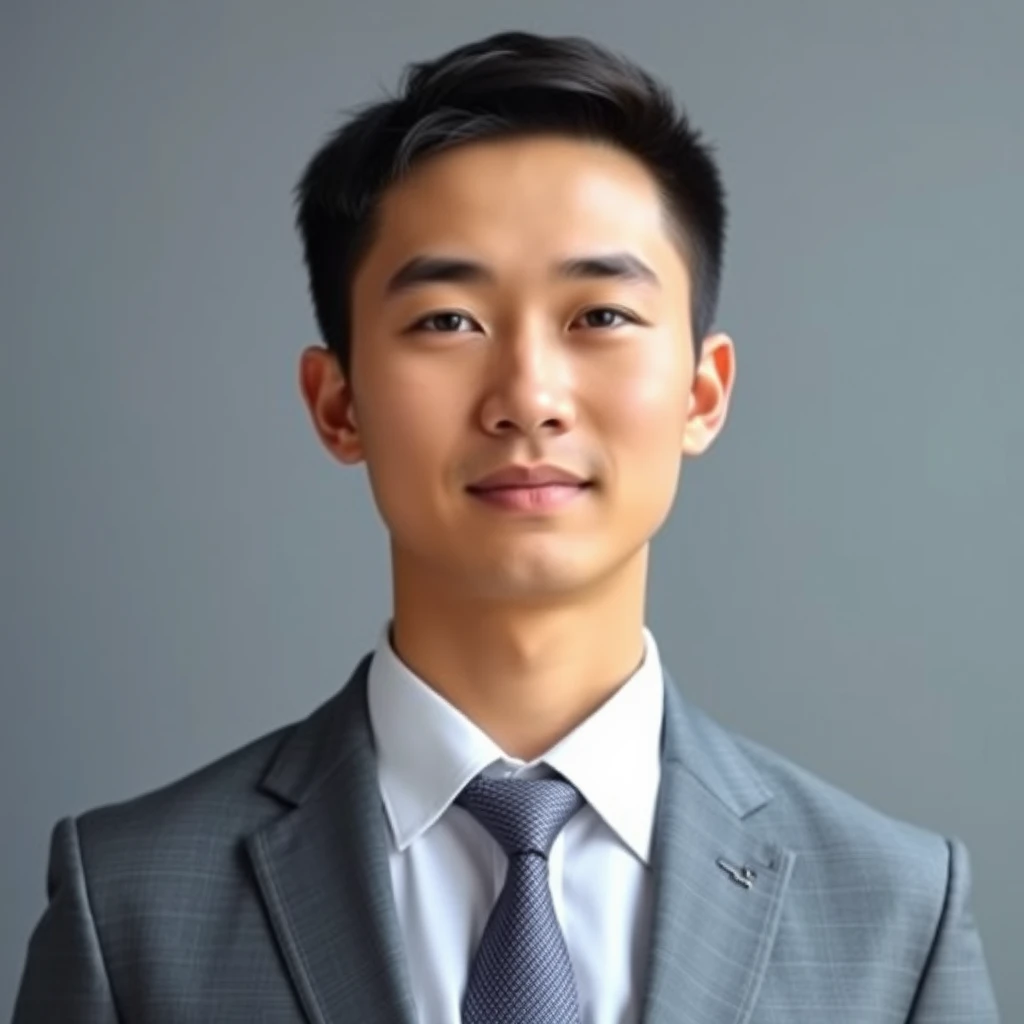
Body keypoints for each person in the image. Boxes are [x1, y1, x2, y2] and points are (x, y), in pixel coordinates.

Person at [12, 29, 999, 1024]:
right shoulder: (130, 905)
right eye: (448, 320)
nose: (528, 398)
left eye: (599, 316)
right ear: (337, 403)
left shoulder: (893, 915)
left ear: (702, 392)